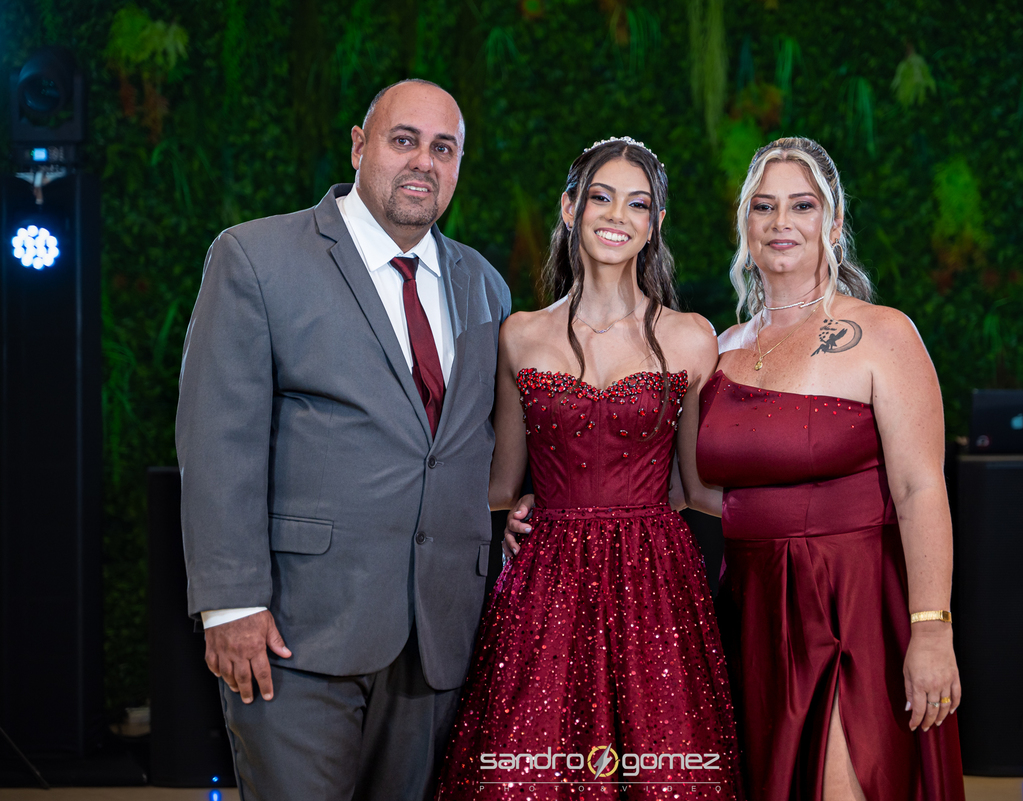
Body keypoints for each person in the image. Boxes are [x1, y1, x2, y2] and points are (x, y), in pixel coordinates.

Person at [175, 79, 511, 801]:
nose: (423, 162)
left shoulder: (484, 286)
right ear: (359, 146)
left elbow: (473, 443)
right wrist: (229, 603)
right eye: (403, 140)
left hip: (437, 637)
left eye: (443, 148)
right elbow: (217, 440)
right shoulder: (257, 257)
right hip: (296, 633)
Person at [437, 137, 742, 799]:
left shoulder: (691, 336)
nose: (618, 215)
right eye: (602, 197)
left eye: (638, 203)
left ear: (656, 222)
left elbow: (696, 488)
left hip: (656, 583)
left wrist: (823, 513)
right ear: (570, 207)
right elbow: (500, 483)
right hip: (544, 585)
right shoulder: (520, 334)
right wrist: (510, 513)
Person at [685, 137, 966, 801]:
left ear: (834, 224)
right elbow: (689, 491)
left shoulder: (884, 334)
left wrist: (931, 627)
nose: (781, 222)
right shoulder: (718, 350)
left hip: (852, 606)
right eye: (764, 207)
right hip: (749, 610)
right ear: (745, 225)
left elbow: (920, 489)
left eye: (802, 205)